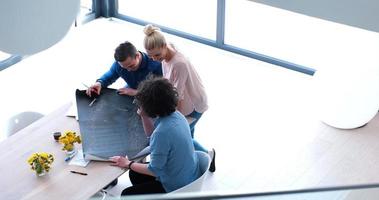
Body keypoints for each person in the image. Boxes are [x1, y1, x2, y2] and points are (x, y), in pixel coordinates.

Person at [110, 77, 201, 195]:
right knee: (135, 173)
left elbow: (155, 170)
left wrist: (128, 163)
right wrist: (144, 116)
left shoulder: (162, 133)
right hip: (188, 174)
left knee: (127, 194)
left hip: (178, 186)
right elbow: (151, 135)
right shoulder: (177, 115)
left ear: (150, 106)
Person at [143, 24, 215, 172]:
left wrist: (167, 119)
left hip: (194, 103)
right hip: (185, 101)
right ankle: (194, 159)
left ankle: (209, 155)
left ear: (164, 46)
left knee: (182, 135)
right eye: (150, 56)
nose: (155, 59)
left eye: (157, 55)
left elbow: (175, 95)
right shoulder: (166, 53)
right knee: (187, 134)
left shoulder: (179, 63)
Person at [86, 41, 162, 97]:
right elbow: (111, 75)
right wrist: (99, 83)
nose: (128, 70)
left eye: (131, 66)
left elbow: (161, 93)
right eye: (124, 68)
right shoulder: (120, 64)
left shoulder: (156, 65)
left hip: (151, 94)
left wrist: (137, 92)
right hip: (132, 88)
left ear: (137, 56)